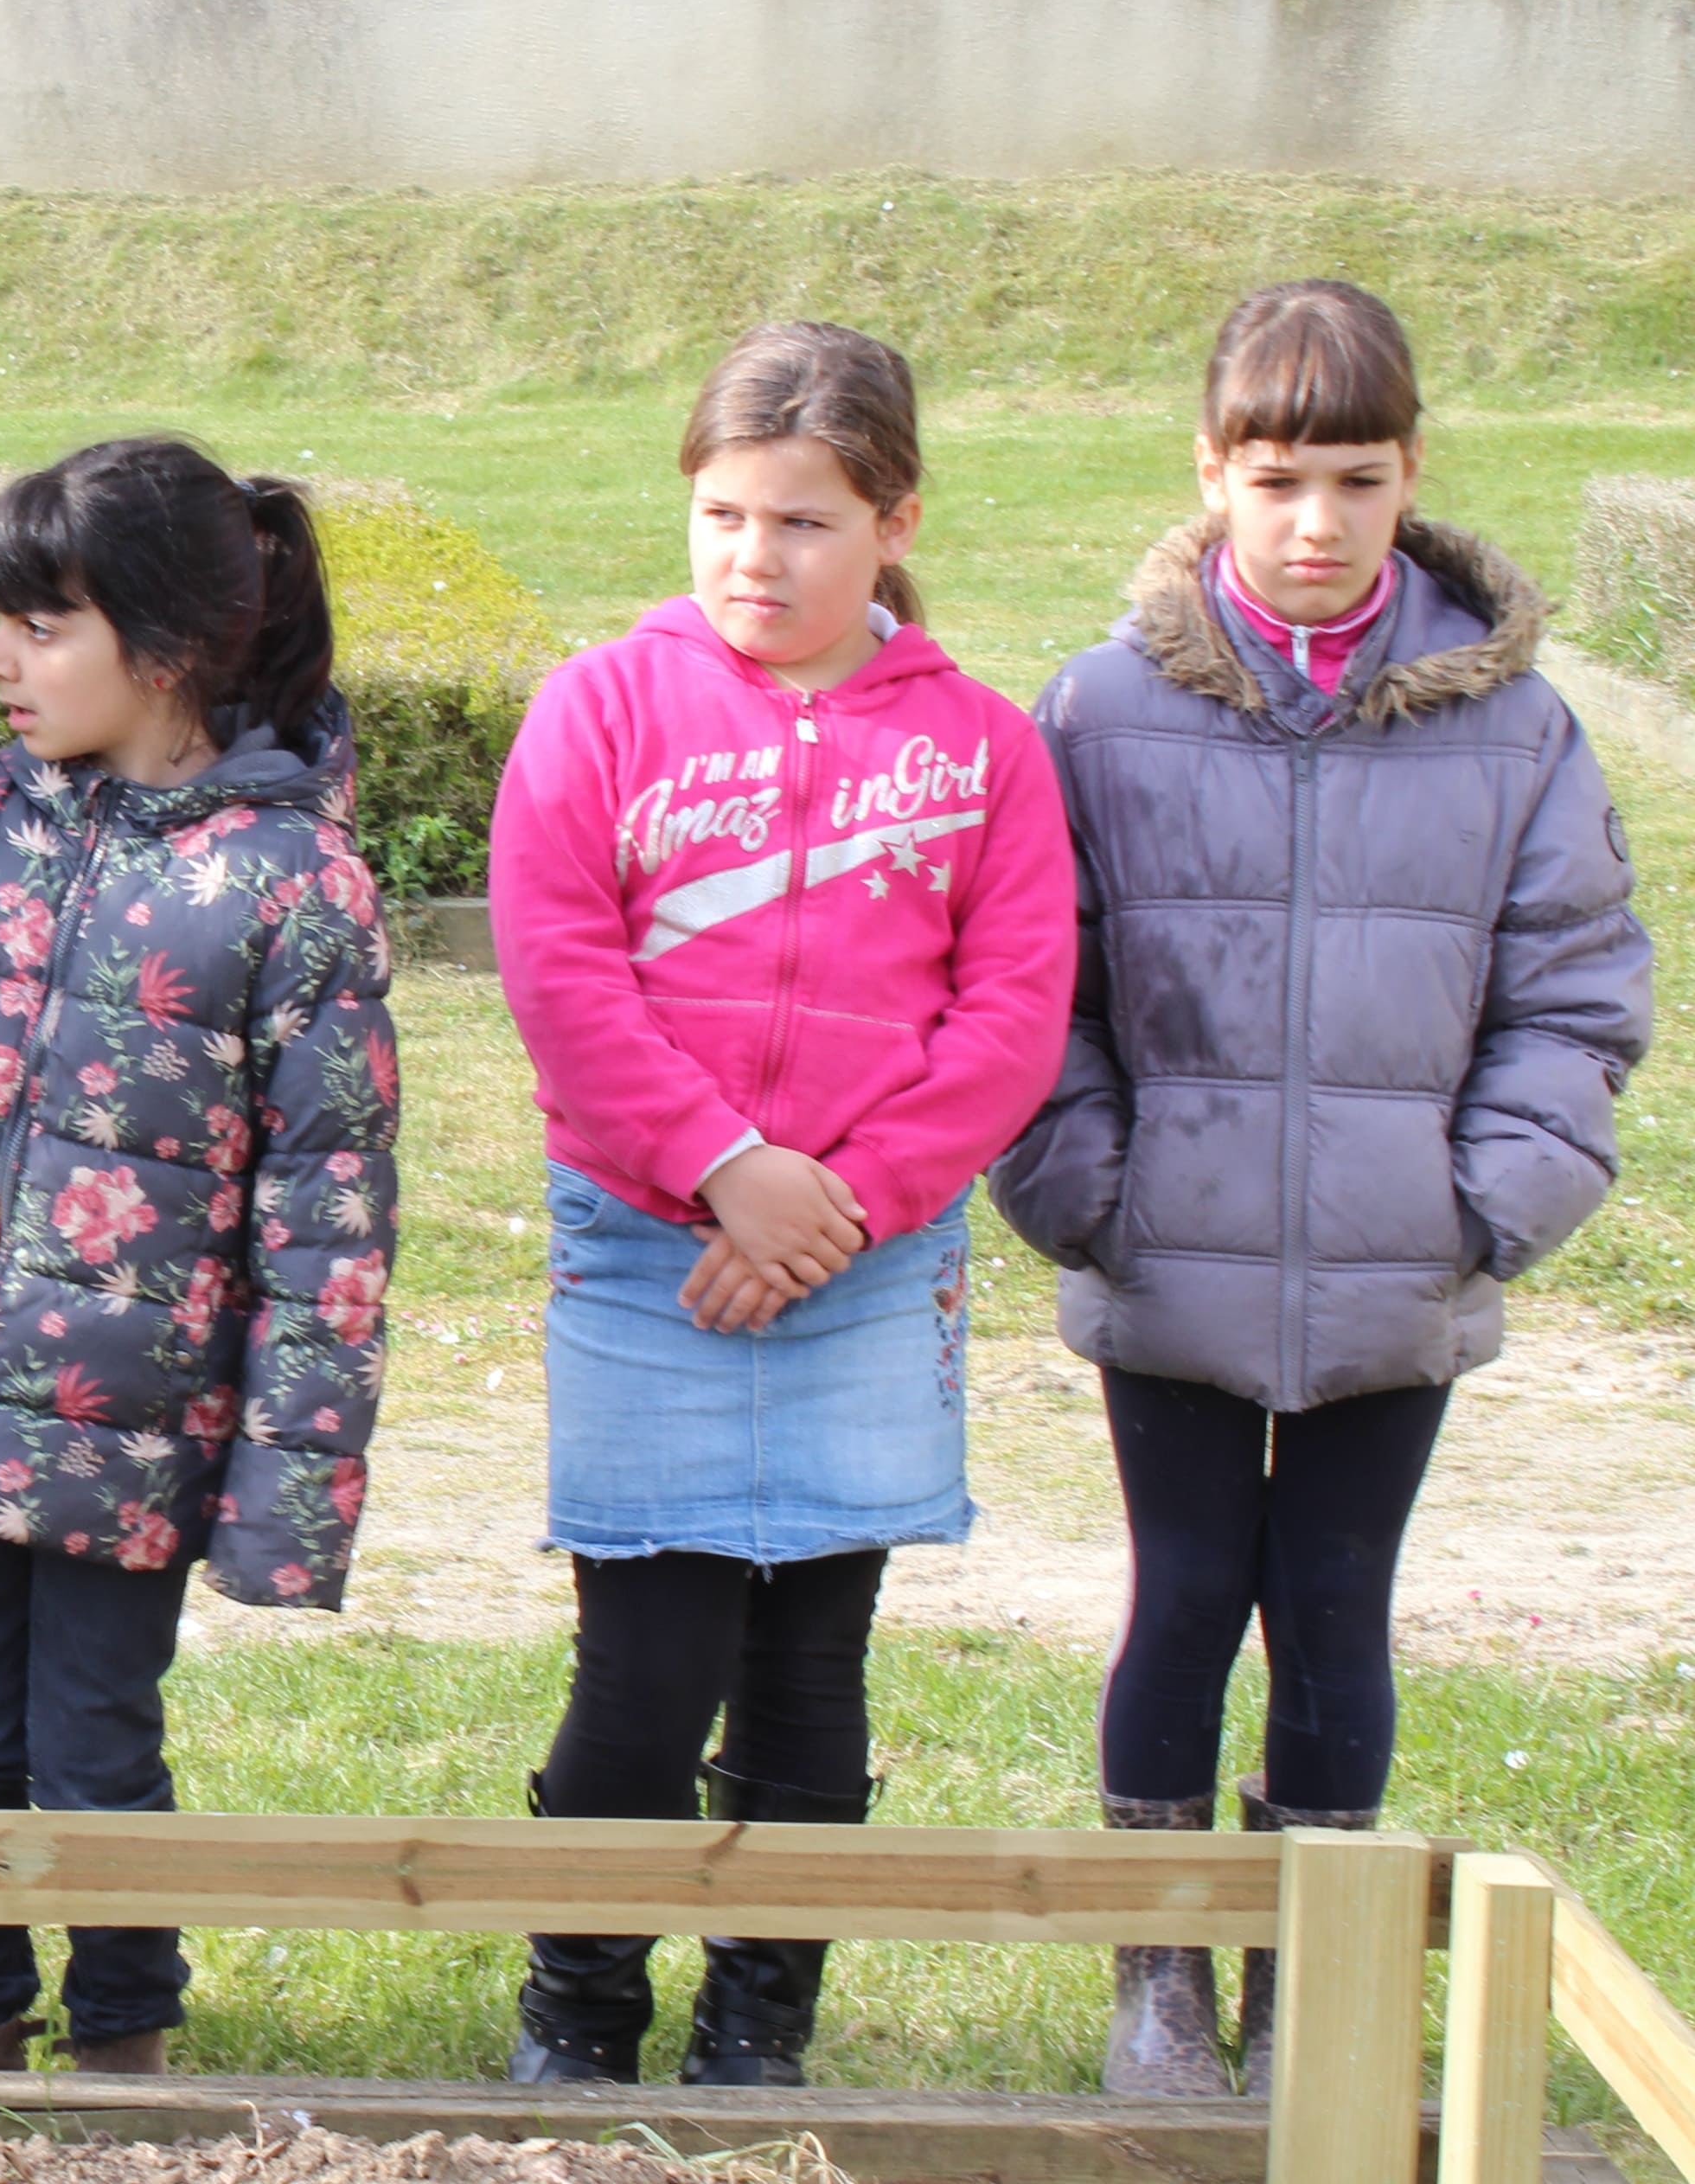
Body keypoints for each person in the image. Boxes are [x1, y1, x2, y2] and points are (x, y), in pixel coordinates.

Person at [992, 282, 1648, 2099]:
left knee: (1340, 1604)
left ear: (1411, 472)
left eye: (1357, 479)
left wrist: (1483, 1205)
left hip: (1394, 1262)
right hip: (1173, 1256)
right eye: (1276, 478)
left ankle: (1312, 1983)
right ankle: (1158, 1979)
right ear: (1210, 472)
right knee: (1187, 1592)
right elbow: (1039, 983)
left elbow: (1574, 993)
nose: (1315, 522)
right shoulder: (1102, 711)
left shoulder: (1516, 731)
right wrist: (1089, 1188)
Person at [483, 322, 1077, 2090]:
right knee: (647, 1664)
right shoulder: (600, 707)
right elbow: (560, 972)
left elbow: (1012, 1014)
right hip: (646, 1252)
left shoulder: (985, 747)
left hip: (868, 1269)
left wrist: (847, 1205)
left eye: (806, 522)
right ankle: (580, 2010)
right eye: (726, 514)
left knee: (814, 1667)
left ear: (896, 523)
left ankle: (762, 2025)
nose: (758, 557)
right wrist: (724, 1167)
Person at [0, 437, 400, 2077]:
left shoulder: (295, 883)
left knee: (97, 1748)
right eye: (0, 619)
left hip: (133, 1432)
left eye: (40, 625)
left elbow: (329, 1220)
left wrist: (289, 1499)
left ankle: (127, 2059)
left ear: (169, 645)